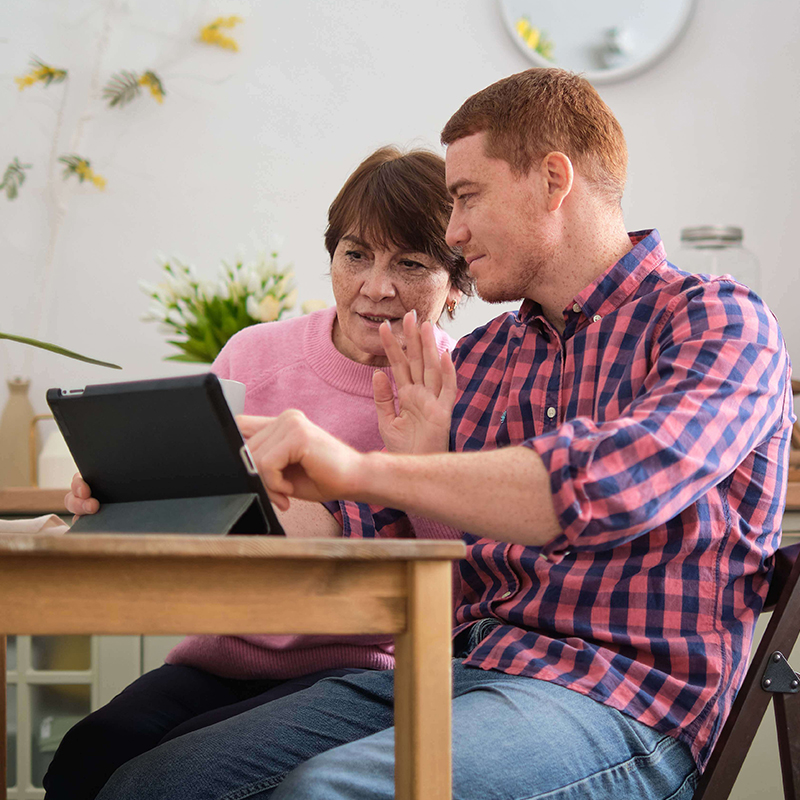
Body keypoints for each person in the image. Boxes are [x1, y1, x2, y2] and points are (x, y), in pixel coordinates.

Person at [97, 68, 795, 800]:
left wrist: (362, 469)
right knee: (152, 783)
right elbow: (371, 531)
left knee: (329, 792)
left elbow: (605, 484)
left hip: (624, 704)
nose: (453, 233)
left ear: (553, 181)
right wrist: (162, 486)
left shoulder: (718, 321)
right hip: (468, 670)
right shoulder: (490, 356)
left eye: (466, 198)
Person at [42, 146, 471, 800]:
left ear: (456, 281)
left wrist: (416, 467)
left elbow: (466, 577)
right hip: (220, 652)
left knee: (161, 777)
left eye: (410, 264)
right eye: (355, 255)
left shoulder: (469, 382)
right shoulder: (254, 354)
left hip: (360, 673)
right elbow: (190, 500)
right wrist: (118, 492)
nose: (375, 287)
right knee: (87, 752)